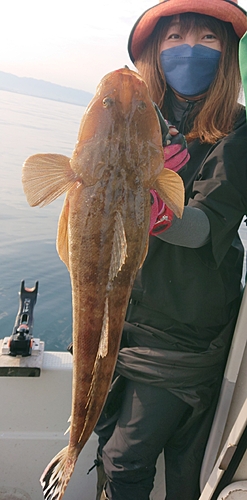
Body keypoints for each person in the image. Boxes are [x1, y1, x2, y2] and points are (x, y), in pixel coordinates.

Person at [94, 1, 247, 499]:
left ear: (229, 57)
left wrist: (156, 207)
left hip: (182, 326)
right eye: (174, 37)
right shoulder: (134, 120)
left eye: (208, 39)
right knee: (110, 439)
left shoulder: (239, 129)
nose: (189, 49)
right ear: (153, 52)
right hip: (123, 312)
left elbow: (205, 226)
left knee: (126, 460)